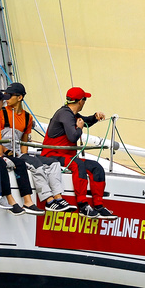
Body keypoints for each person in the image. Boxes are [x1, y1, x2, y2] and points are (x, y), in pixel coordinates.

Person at [41, 87, 116, 220]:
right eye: (85, 99)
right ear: (81, 101)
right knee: (77, 164)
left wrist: (95, 117)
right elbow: (73, 136)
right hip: (52, 155)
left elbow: (84, 120)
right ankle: (82, 205)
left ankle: (98, 205)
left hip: (66, 156)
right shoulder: (65, 114)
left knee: (96, 167)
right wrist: (80, 128)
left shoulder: (72, 115)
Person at [0, 81, 71, 213]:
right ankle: (49, 200)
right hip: (4, 153)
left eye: (9, 95)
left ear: (19, 97)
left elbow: (24, 141)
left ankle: (58, 197)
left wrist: (24, 155)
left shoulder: (27, 117)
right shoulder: (0, 113)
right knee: (36, 165)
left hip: (18, 153)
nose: (6, 98)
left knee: (54, 163)